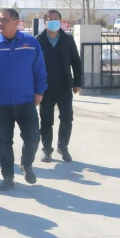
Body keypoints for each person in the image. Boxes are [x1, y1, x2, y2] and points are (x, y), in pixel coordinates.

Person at [0, 8, 47, 191]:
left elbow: (40, 69)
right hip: (2, 103)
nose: (1, 23)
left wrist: (40, 91)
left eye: (5, 20)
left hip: (26, 101)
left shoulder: (31, 43)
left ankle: (26, 164)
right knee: (4, 141)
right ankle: (8, 176)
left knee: (33, 138)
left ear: (16, 22)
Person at [36, 10, 82, 163]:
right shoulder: (38, 40)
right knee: (46, 120)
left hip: (64, 86)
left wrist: (77, 83)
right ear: (45, 22)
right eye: (50, 19)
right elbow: (32, 65)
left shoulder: (67, 39)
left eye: (56, 18)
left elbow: (76, 62)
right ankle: (46, 150)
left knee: (67, 118)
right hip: (45, 88)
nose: (53, 21)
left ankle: (63, 146)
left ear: (61, 21)